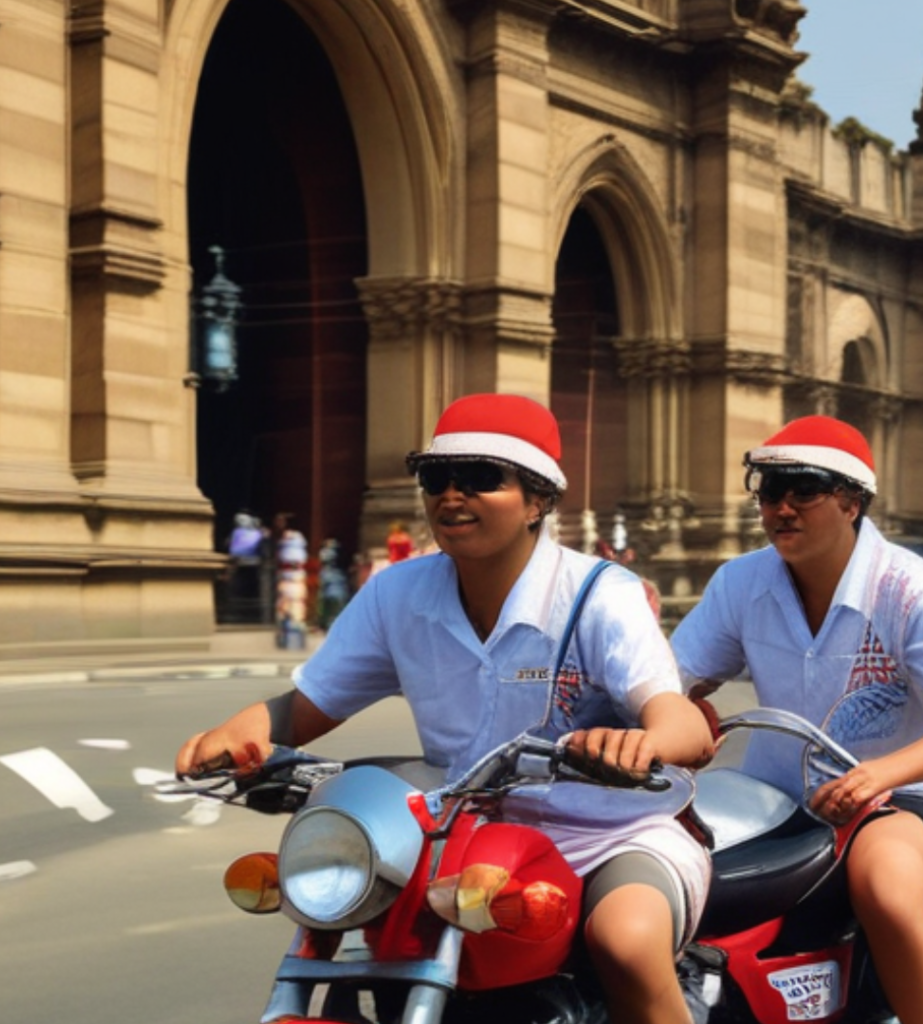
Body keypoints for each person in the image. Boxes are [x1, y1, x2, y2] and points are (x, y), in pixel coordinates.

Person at [177, 393, 714, 1024]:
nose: (452, 497)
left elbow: (681, 724)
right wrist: (236, 735)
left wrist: (642, 745)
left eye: (483, 478)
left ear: (537, 500)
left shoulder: (599, 594)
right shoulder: (398, 594)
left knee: (625, 943)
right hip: (457, 841)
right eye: (437, 478)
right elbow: (304, 708)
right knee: (356, 936)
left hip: (606, 836)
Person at [671, 414, 923, 1024]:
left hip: (897, 798)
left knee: (887, 880)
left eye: (803, 491)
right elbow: (668, 680)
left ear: (852, 502)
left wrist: (881, 775)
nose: (782, 509)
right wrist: (673, 716)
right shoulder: (741, 582)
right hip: (771, 801)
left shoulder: (906, 588)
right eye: (769, 493)